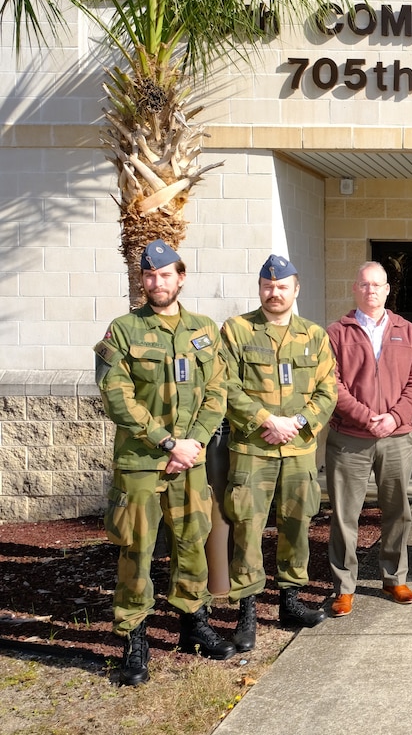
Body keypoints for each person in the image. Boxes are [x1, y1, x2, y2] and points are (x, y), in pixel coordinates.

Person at [94, 240, 235, 686]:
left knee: (192, 542)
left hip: (190, 462)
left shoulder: (204, 329)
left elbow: (218, 391)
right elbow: (117, 395)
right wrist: (167, 442)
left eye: (165, 274)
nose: (157, 282)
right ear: (143, 281)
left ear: (181, 276)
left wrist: (191, 444)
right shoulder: (123, 330)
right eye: (149, 276)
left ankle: (192, 625)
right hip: (140, 463)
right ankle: (134, 638)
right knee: (135, 549)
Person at [221, 254, 337, 650]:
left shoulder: (314, 336)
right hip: (253, 449)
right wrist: (266, 419)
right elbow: (226, 386)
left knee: (296, 525)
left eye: (282, 286)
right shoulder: (237, 331)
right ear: (259, 288)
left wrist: (299, 422)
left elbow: (327, 390)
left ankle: (290, 601)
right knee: (247, 529)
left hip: (299, 448)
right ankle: (247, 611)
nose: (275, 292)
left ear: (295, 289)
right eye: (268, 286)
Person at [325, 262, 412, 616]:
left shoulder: (408, 331)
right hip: (350, 437)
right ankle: (344, 587)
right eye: (365, 285)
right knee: (344, 515)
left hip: (397, 436)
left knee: (397, 511)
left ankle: (394, 578)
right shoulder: (337, 332)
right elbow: (331, 384)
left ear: (388, 290)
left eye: (378, 285)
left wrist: (395, 417)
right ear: (355, 288)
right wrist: (366, 417)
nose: (371, 291)